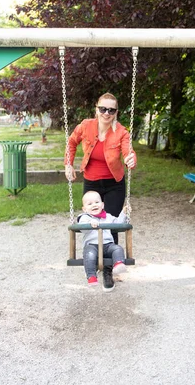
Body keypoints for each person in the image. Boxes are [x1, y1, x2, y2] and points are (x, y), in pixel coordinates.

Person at [64, 92, 137, 288]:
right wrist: (68, 164)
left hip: (115, 183)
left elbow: (128, 151)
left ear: (116, 112)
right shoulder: (86, 126)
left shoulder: (121, 131)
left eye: (111, 110)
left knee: (110, 224)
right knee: (93, 221)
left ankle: (108, 271)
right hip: (92, 183)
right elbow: (71, 143)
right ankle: (93, 259)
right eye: (103, 109)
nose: (106, 113)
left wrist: (131, 158)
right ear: (96, 109)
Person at [78, 191, 128, 291]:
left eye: (97, 202)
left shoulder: (107, 216)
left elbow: (117, 223)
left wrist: (123, 213)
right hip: (92, 245)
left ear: (102, 205)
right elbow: (81, 227)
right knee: (89, 255)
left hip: (108, 245)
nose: (94, 205)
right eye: (90, 204)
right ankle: (91, 276)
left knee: (117, 248)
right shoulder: (84, 217)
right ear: (84, 209)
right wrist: (90, 223)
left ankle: (118, 264)